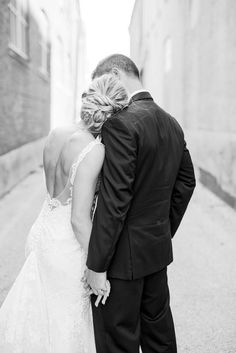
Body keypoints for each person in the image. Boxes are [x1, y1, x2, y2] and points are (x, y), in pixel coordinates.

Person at [0, 74, 129, 353]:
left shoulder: (57, 132)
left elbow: (54, 192)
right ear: (112, 114)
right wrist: (99, 266)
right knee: (63, 328)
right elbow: (79, 219)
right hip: (66, 246)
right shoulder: (94, 150)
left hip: (42, 231)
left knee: (41, 318)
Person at [85, 54, 196, 353]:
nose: (106, 93)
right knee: (159, 337)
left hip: (122, 262)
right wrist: (161, 229)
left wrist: (96, 265)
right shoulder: (171, 122)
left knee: (118, 341)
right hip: (156, 253)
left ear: (117, 74)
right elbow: (187, 182)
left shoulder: (120, 124)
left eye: (105, 82)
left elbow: (115, 199)